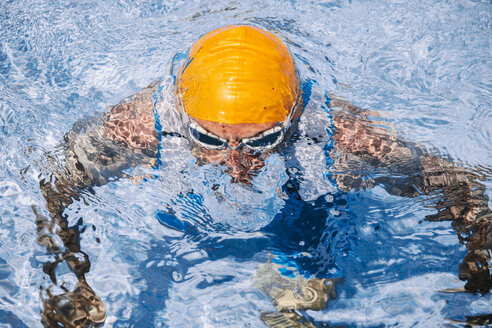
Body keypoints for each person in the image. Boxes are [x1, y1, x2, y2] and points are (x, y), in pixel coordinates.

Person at [35, 25, 491, 327]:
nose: (237, 165)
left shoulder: (345, 133)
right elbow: (52, 189)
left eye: (263, 141)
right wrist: (67, 277)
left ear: (292, 119)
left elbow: (454, 183)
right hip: (188, 208)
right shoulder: (135, 127)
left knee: (312, 287)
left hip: (298, 203)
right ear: (181, 114)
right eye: (209, 140)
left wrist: (479, 248)